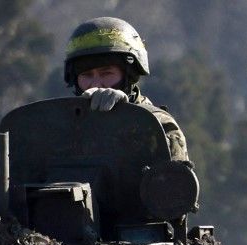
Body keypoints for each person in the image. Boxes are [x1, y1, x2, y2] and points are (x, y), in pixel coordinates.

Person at [64, 17, 188, 163]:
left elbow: (175, 177)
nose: (96, 84)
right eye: (86, 75)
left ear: (129, 75)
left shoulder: (156, 124)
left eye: (107, 73)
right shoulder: (62, 124)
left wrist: (127, 114)